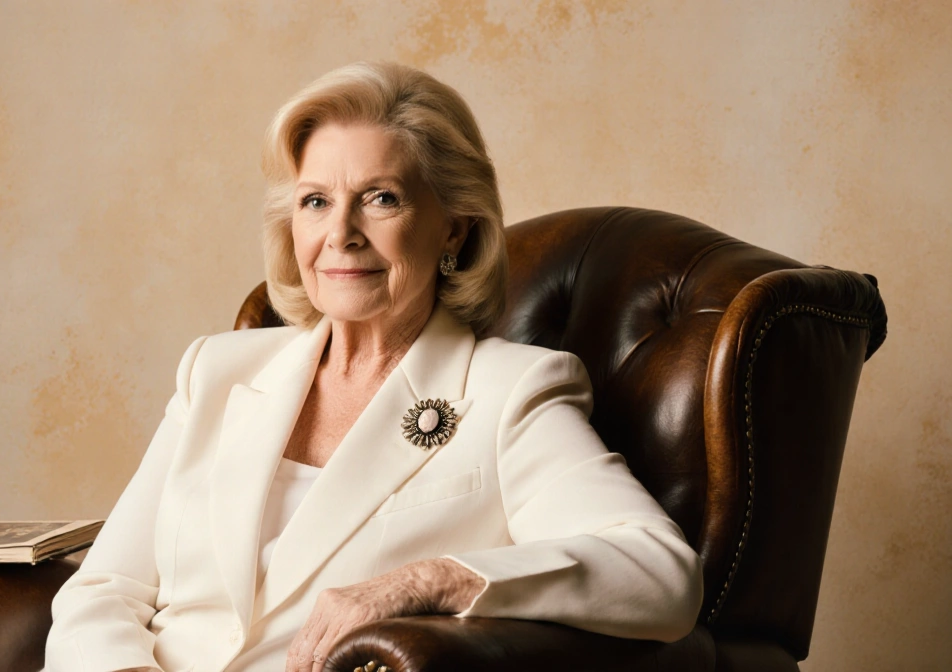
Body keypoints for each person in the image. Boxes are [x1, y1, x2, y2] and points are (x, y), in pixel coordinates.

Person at [44, 61, 703, 672]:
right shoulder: (214, 371)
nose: (341, 234)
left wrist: (426, 582)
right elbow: (106, 589)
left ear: (455, 228)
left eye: (381, 198)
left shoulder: (509, 392)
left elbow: (662, 576)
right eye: (315, 201)